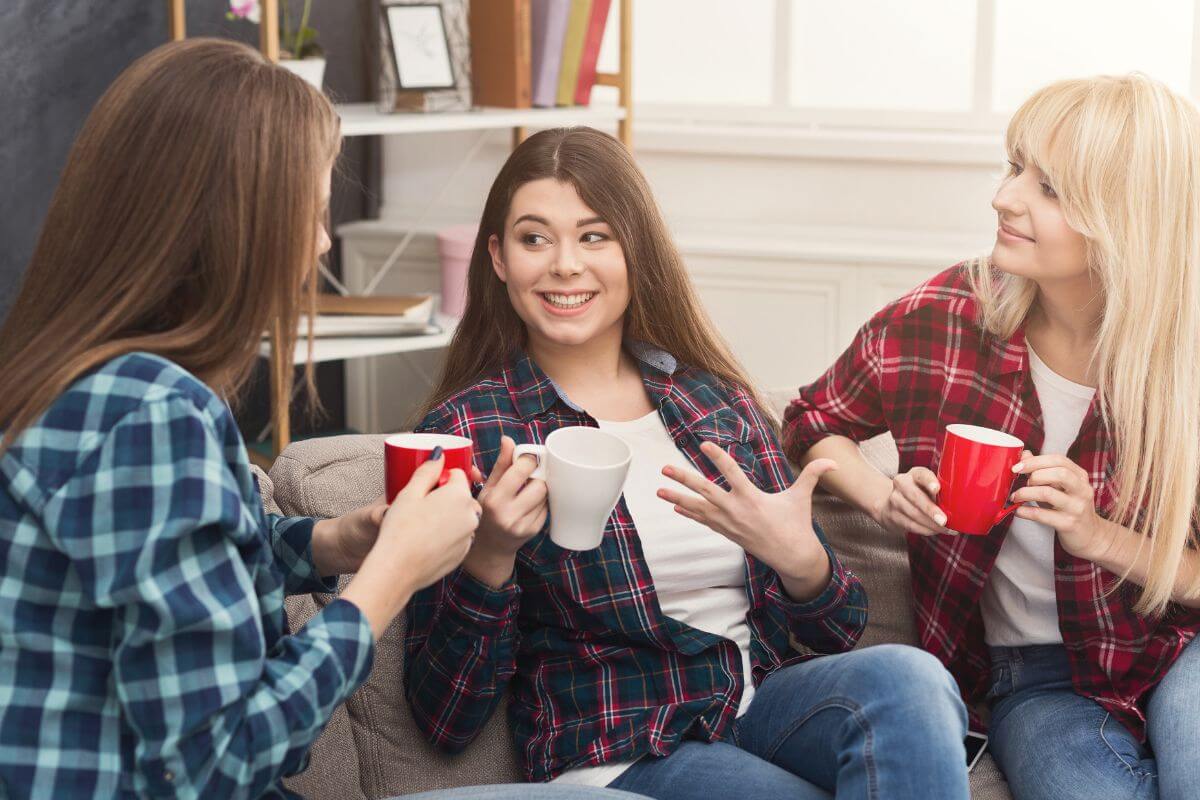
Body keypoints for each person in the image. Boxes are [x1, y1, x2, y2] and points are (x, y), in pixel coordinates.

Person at [0, 39, 636, 800]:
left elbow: (179, 569)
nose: (323, 241)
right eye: (311, 212)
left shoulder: (92, 380)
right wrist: (391, 574)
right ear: (233, 229)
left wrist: (335, 542)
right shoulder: (153, 419)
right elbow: (217, 762)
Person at [404, 126, 972, 799]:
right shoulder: (466, 433)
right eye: (535, 239)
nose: (565, 265)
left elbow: (836, 628)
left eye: (594, 236)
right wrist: (491, 556)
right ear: (499, 258)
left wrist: (801, 562)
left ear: (634, 251)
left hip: (756, 706)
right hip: (621, 746)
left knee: (911, 680)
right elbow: (445, 715)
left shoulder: (713, 402)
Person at [784, 74, 1200, 800]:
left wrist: (1098, 536)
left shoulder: (1183, 360)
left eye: (1050, 188)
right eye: (1014, 168)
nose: (1004, 198)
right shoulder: (943, 318)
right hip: (1033, 676)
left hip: (1181, 643)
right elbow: (812, 422)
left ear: (1127, 217)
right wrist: (882, 497)